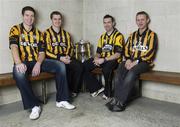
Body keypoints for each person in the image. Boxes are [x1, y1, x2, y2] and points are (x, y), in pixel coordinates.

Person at [9, 6, 75, 120]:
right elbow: (14, 47)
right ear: (23, 16)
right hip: (23, 62)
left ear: (34, 18)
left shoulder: (39, 33)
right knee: (18, 73)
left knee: (60, 65)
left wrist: (38, 63)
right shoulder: (15, 29)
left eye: (32, 16)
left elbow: (42, 52)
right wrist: (18, 62)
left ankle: (62, 100)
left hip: (37, 61)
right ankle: (34, 106)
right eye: (27, 15)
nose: (29, 18)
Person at [106, 11, 158, 112]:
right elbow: (126, 49)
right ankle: (115, 99)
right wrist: (128, 59)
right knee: (119, 70)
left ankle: (121, 101)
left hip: (144, 63)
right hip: (131, 61)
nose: (140, 22)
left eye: (142, 19)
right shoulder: (132, 35)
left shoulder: (152, 35)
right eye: (138, 20)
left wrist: (136, 62)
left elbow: (150, 53)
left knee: (131, 72)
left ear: (147, 20)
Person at [83, 14, 124, 99]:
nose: (107, 24)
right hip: (102, 59)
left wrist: (104, 60)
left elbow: (118, 54)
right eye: (105, 23)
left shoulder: (118, 36)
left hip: (113, 60)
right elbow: (98, 52)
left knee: (106, 69)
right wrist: (96, 58)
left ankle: (107, 92)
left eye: (109, 22)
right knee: (84, 65)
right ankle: (96, 88)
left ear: (113, 23)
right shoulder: (102, 37)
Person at [44, 11, 83, 98]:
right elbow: (45, 51)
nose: (57, 21)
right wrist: (60, 58)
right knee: (63, 67)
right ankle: (64, 93)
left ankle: (74, 90)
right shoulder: (46, 33)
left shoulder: (66, 34)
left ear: (61, 20)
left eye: (59, 19)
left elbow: (70, 47)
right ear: (51, 20)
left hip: (66, 56)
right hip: (53, 58)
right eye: (55, 19)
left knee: (79, 66)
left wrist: (68, 56)